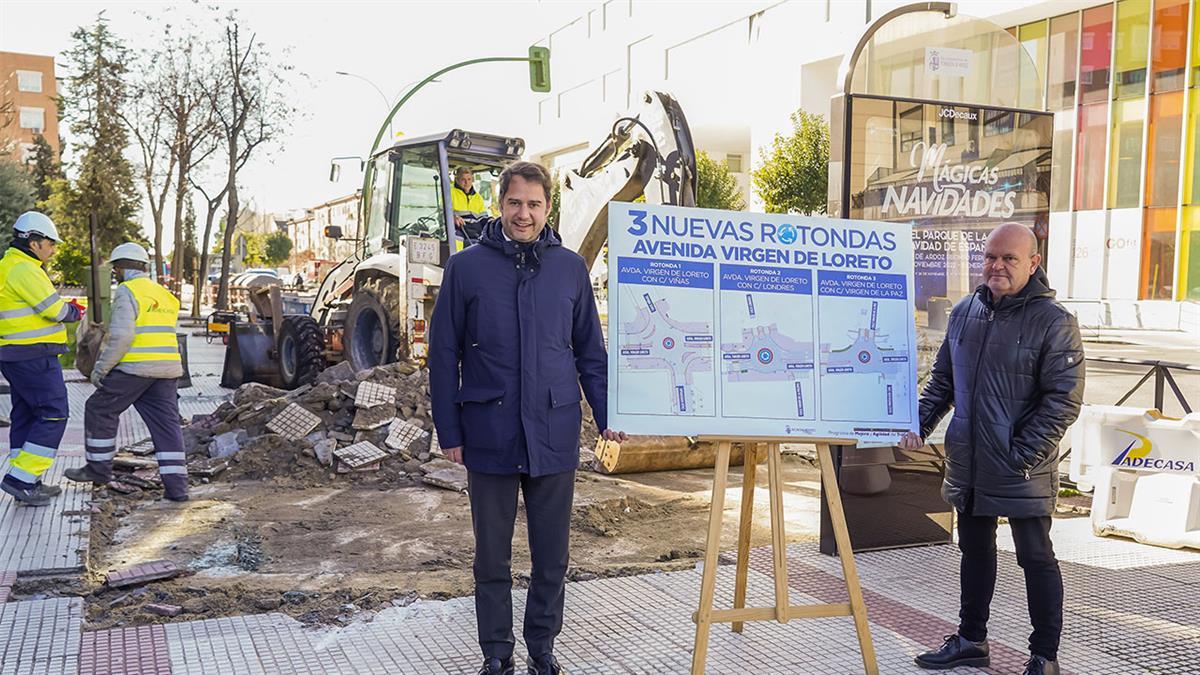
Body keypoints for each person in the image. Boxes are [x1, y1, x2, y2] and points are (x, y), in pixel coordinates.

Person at [429, 160, 624, 675]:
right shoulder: (466, 269)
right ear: (501, 205)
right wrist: (449, 430)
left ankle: (543, 648)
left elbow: (590, 353)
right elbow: (444, 353)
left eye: (534, 204)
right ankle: (497, 654)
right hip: (488, 434)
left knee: (552, 559)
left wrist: (607, 416)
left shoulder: (569, 269)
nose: (524, 214)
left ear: (548, 208)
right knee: (492, 559)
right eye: (515, 203)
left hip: (554, 432)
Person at [900, 223, 1084, 675]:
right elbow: (943, 382)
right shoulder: (965, 312)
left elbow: (1064, 401)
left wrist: (1020, 454)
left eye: (1009, 259)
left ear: (1033, 263)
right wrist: (918, 427)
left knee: (1035, 558)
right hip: (972, 462)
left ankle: (1044, 657)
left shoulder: (1055, 321)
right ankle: (970, 640)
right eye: (990, 257)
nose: (997, 266)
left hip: (1022, 466)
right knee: (974, 551)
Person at [65, 243, 189, 502]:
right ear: (144, 267)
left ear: (120, 268)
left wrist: (101, 369)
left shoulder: (127, 291)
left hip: (135, 368)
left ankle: (98, 469)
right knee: (166, 426)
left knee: (99, 408)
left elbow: (122, 336)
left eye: (116, 269)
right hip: (167, 370)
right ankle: (177, 489)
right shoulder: (164, 294)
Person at [0, 212, 84, 506]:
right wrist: (74, 312)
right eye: (50, 243)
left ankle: (27, 479)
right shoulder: (24, 269)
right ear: (34, 242)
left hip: (16, 354)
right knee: (53, 412)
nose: (53, 249)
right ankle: (21, 480)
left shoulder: (9, 265)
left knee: (25, 413)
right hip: (33, 355)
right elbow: (54, 310)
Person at [452, 166, 488, 243]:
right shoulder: (450, 193)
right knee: (456, 238)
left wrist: (491, 220)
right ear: (457, 180)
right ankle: (455, 255)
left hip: (474, 231)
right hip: (458, 228)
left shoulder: (478, 198)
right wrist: (452, 217)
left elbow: (483, 217)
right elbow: (441, 212)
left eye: (469, 179)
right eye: (463, 180)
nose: (467, 182)